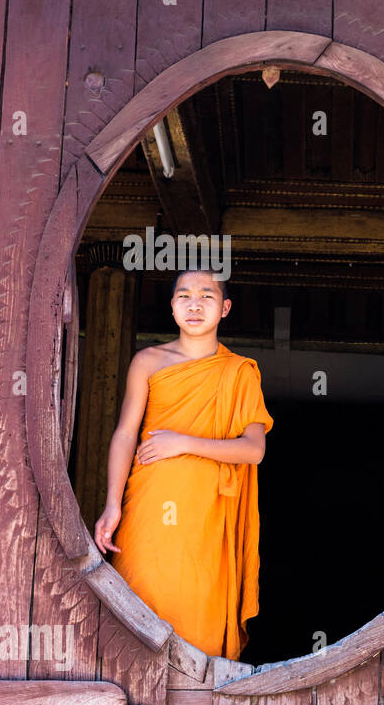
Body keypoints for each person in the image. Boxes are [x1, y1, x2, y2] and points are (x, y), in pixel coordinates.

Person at [94, 268, 273, 659]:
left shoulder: (239, 372)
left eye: (207, 296)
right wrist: (111, 504)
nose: (195, 305)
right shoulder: (148, 361)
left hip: (207, 513)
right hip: (150, 506)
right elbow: (126, 434)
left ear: (225, 308)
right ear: (172, 307)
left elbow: (253, 450)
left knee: (198, 606)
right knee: (140, 594)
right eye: (184, 296)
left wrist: (183, 443)